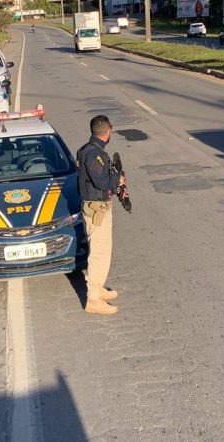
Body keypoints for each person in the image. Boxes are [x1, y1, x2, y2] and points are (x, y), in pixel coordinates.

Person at [77, 115, 126, 316]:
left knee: (102, 250)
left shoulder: (90, 150)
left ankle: (98, 289)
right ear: (108, 131)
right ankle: (93, 299)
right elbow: (102, 181)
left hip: (99, 206)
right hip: (96, 210)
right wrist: (118, 179)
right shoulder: (93, 155)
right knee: (99, 253)